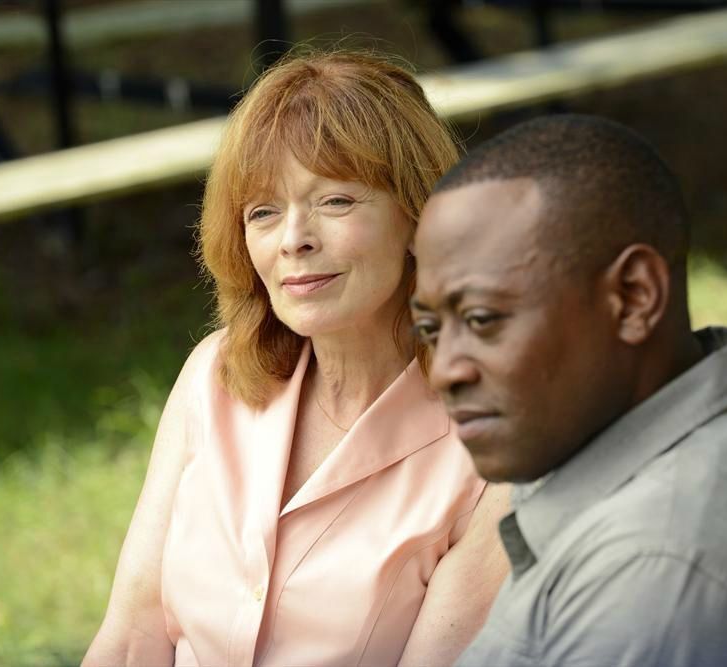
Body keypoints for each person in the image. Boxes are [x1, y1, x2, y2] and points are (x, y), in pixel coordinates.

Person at [83, 51, 510, 667]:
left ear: (421, 216)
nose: (294, 239)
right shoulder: (214, 376)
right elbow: (130, 640)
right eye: (263, 211)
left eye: (335, 201)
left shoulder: (497, 453)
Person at [411, 114, 727, 667]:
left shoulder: (655, 566)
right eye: (430, 329)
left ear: (635, 297)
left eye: (482, 319)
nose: (446, 369)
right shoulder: (625, 455)